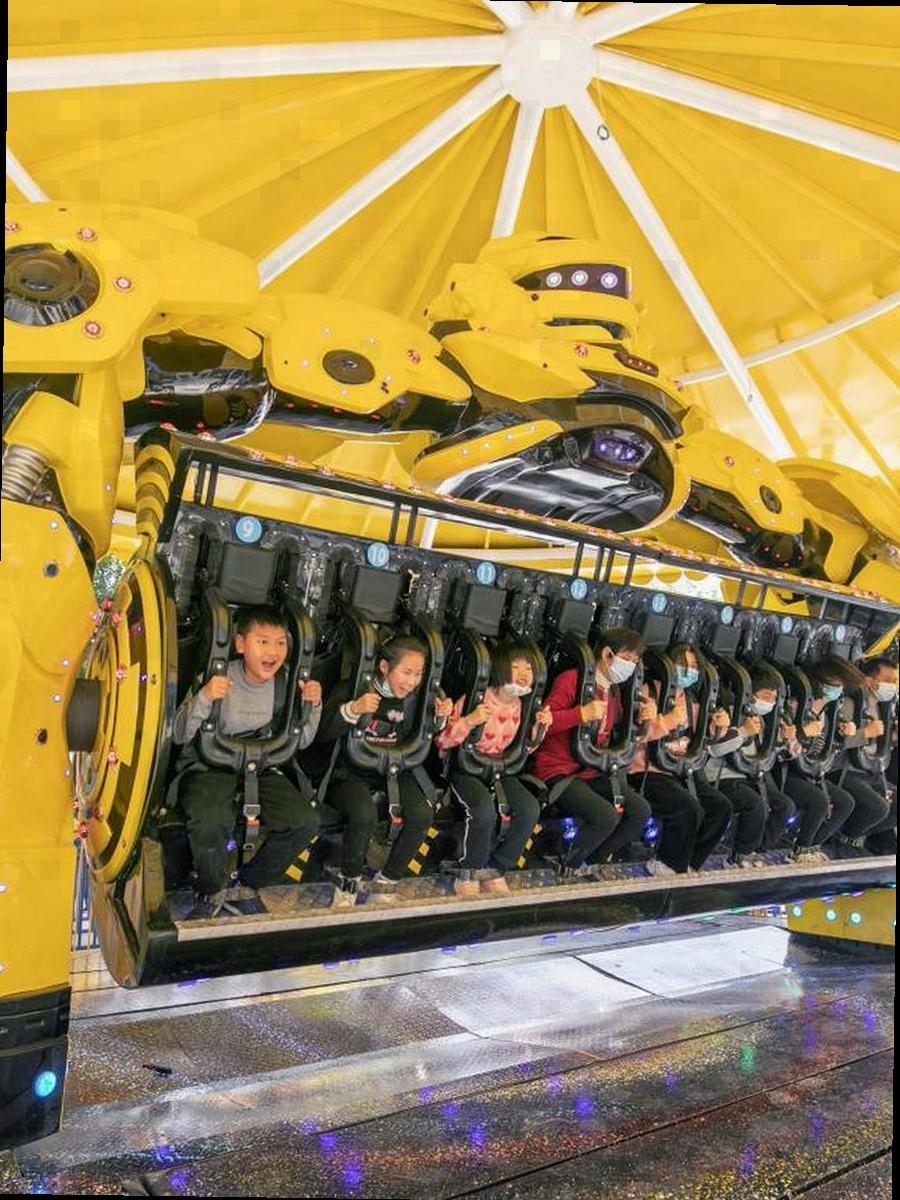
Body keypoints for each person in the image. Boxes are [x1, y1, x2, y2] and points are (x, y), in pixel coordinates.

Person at [172, 604, 322, 919]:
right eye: (263, 642)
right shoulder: (216, 676)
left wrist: (314, 704)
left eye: (280, 643)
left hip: (262, 764)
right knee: (210, 822)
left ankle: (248, 884)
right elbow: (180, 734)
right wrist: (205, 697)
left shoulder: (285, 684)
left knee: (304, 822)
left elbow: (303, 740)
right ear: (241, 644)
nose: (273, 652)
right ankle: (211, 888)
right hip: (212, 764)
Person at [314, 635, 453, 907]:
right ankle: (348, 882)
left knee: (422, 814)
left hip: (393, 770)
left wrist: (440, 716)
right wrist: (353, 709)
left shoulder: (417, 698)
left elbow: (425, 733)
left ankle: (387, 880)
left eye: (418, 674)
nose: (412, 681)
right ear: (385, 667)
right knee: (363, 814)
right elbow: (323, 732)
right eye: (406, 672)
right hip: (350, 772)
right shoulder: (355, 687)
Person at [530, 627, 651, 878]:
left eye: (634, 661)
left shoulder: (613, 691)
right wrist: (580, 714)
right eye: (626, 659)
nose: (629, 666)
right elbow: (544, 723)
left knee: (639, 810)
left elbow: (618, 728)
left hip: (591, 769)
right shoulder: (571, 680)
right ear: (607, 654)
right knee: (605, 815)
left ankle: (591, 860)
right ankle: (567, 862)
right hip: (558, 769)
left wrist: (642, 719)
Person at [436, 640, 551, 897]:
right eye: (516, 667)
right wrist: (470, 720)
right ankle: (469, 870)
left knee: (529, 809)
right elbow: (443, 741)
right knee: (483, 811)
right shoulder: (477, 698)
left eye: (528, 669)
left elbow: (527, 747)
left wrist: (541, 727)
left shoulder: (523, 705)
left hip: (500, 769)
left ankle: (496, 869)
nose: (523, 674)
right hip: (467, 768)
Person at [627, 643, 732, 876]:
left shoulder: (690, 701)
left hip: (680, 770)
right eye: (683, 664)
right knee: (689, 808)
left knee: (721, 807)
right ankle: (668, 864)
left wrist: (718, 728)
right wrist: (667, 721)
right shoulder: (648, 692)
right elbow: (637, 735)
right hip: (647, 770)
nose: (688, 671)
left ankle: (690, 862)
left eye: (694, 667)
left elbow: (702, 739)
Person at [703, 661, 795, 865]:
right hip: (723, 775)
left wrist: (784, 741)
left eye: (773, 699)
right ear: (750, 694)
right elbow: (714, 748)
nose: (770, 702)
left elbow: (772, 756)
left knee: (785, 806)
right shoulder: (728, 713)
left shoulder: (763, 721)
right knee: (755, 805)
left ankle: (758, 848)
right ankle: (740, 854)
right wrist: (743, 732)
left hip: (752, 776)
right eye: (765, 696)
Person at [782, 655, 864, 860]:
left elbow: (829, 749)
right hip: (788, 772)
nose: (836, 688)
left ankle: (813, 845)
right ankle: (801, 848)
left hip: (814, 771)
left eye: (840, 684)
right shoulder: (794, 707)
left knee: (845, 802)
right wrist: (802, 733)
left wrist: (843, 734)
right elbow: (783, 751)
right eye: (833, 683)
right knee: (819, 801)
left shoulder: (829, 712)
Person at [825, 656, 895, 855]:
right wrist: (865, 733)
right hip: (846, 770)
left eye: (893, 681)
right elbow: (835, 741)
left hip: (872, 771)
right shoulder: (849, 704)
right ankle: (844, 838)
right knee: (877, 807)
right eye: (887, 680)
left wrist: (893, 737)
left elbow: (879, 746)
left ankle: (860, 837)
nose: (891, 686)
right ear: (869, 681)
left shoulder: (883, 708)